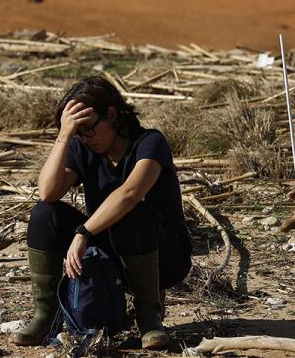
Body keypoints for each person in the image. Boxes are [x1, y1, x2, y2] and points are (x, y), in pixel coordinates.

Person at [13, 76, 191, 350]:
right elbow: (48, 192)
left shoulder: (150, 143)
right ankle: (45, 316)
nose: (86, 137)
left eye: (88, 129)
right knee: (45, 213)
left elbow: (128, 195)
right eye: (79, 132)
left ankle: (150, 319)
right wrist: (64, 136)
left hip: (162, 256)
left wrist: (83, 232)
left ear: (112, 114)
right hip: (111, 251)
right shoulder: (84, 147)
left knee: (130, 213)